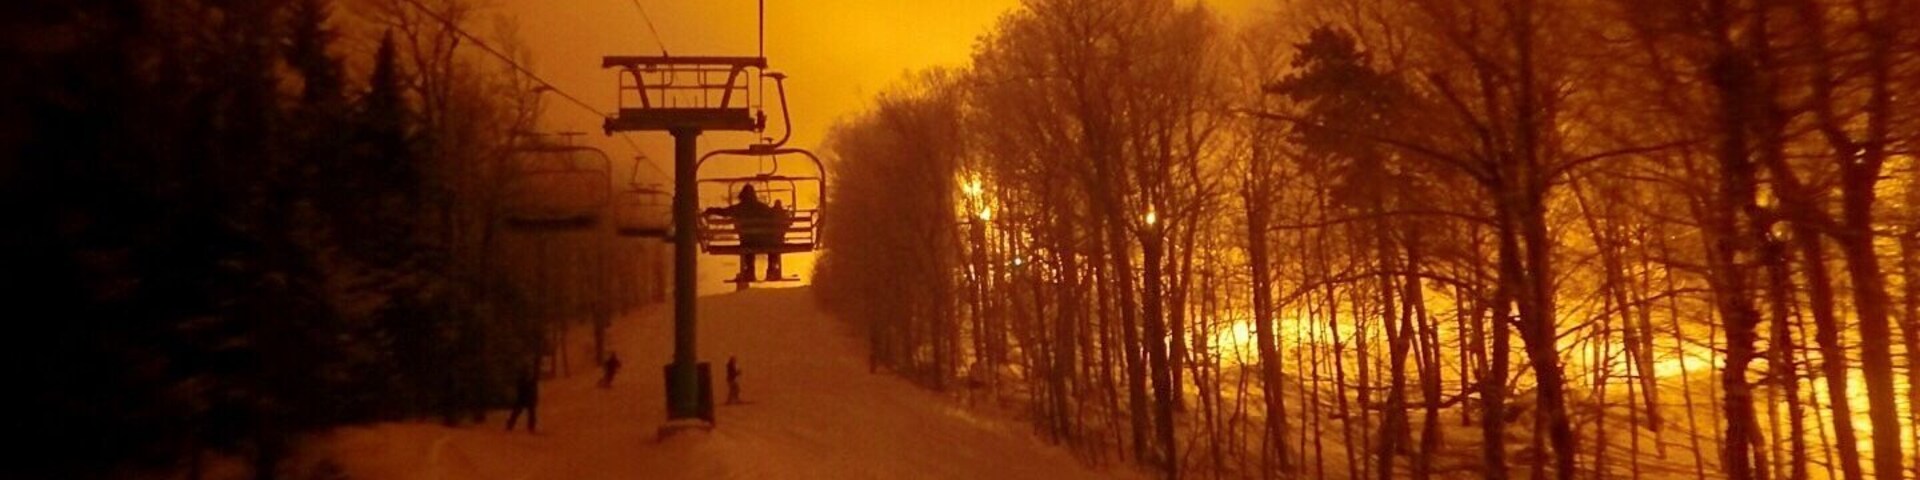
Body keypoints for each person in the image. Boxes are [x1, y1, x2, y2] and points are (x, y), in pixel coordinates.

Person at [704, 185, 787, 282]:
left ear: (742, 195)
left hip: (748, 242)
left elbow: (724, 212)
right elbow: (775, 218)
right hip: (765, 242)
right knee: (774, 241)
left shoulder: (739, 208)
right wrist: (778, 208)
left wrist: (710, 210)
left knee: (748, 242)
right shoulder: (762, 207)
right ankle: (771, 270)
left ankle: (749, 272)